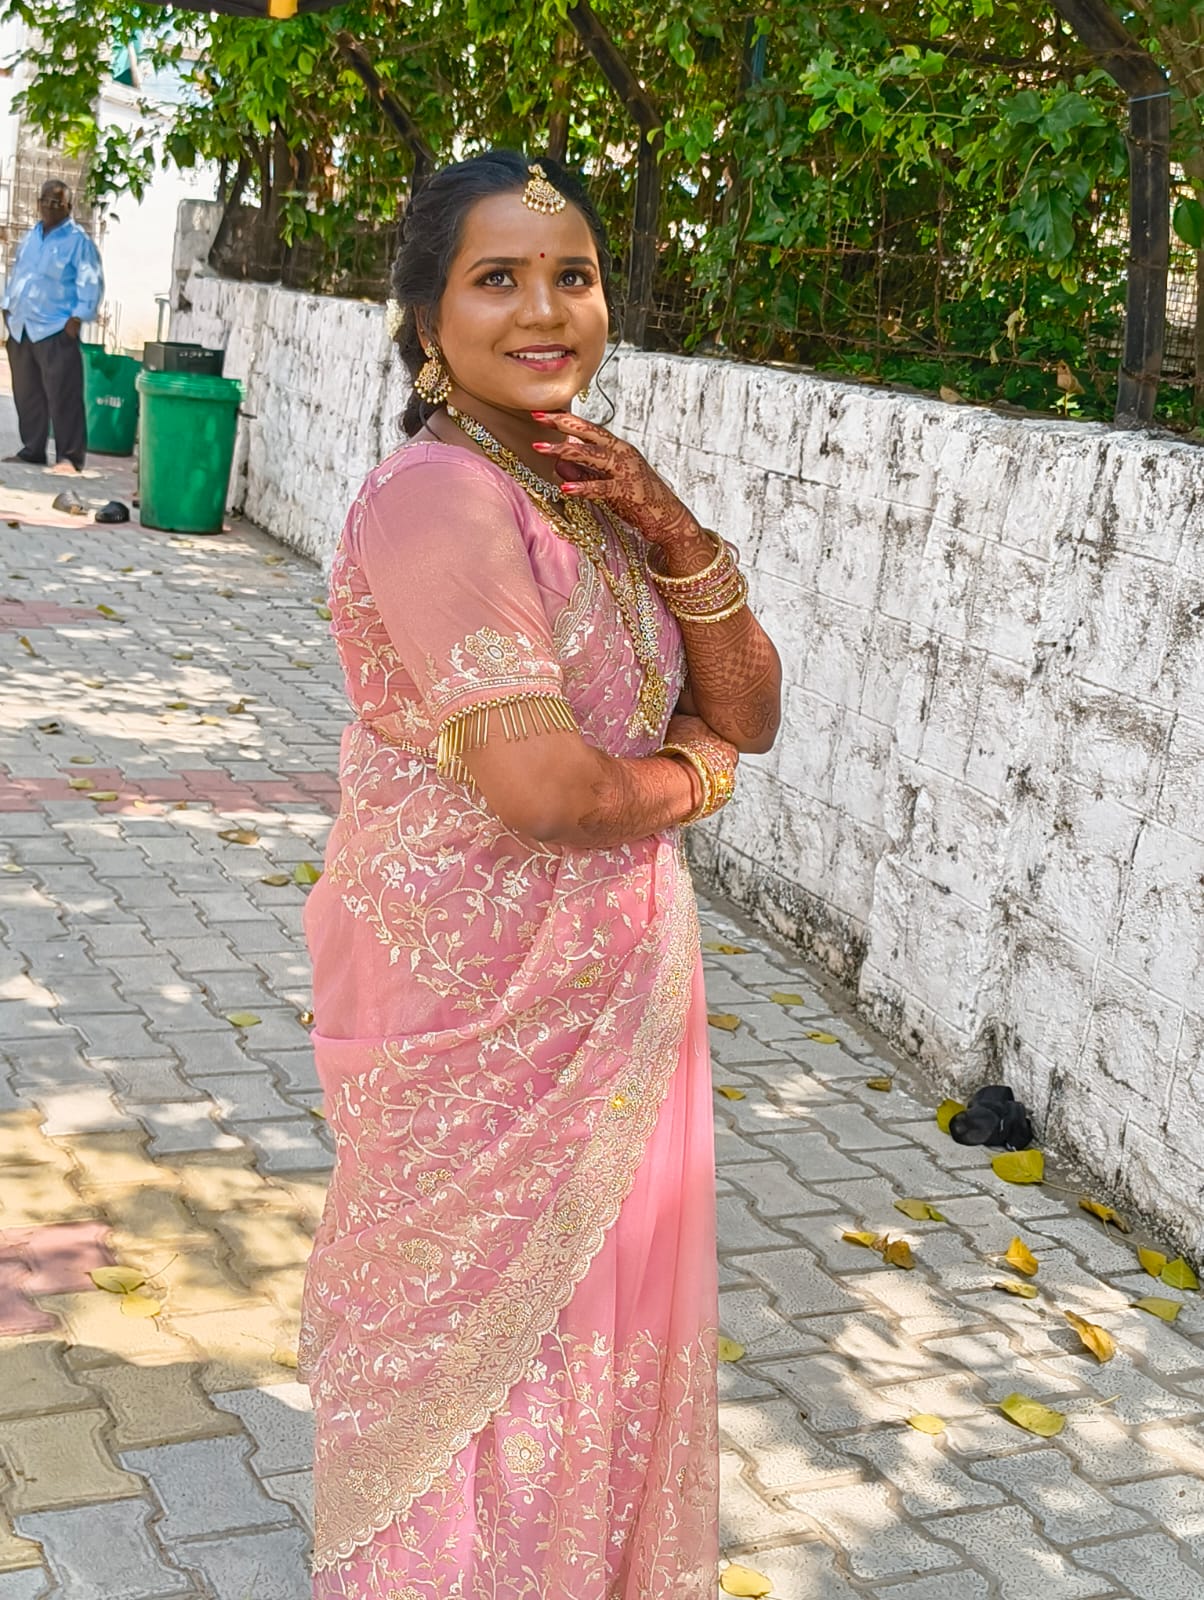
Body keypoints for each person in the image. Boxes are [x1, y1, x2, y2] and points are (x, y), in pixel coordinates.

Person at [299, 150, 782, 1600]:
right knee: (471, 1346)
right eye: (495, 278)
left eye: (570, 274)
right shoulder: (438, 499)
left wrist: (673, 526)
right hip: (473, 994)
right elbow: (550, 790)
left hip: (615, 980)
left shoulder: (579, 481)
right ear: (424, 313)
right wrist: (696, 779)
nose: (544, 309)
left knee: (592, 1338)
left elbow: (748, 701)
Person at [2, 179, 103, 474]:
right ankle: (33, 449)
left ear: (69, 207)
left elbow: (91, 282)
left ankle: (69, 457)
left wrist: (76, 320)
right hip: (22, 326)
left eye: (57, 202)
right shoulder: (32, 236)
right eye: (45, 200)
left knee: (64, 395)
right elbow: (20, 272)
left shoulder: (77, 241)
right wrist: (7, 307)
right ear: (38, 203)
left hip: (55, 328)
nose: (49, 206)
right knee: (27, 392)